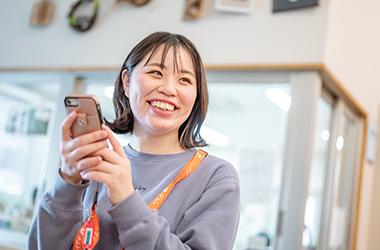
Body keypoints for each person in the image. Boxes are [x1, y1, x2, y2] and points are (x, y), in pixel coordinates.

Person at [27, 31, 240, 250]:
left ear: (196, 95)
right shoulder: (98, 163)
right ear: (127, 81)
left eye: (184, 80)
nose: (168, 88)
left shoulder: (216, 176)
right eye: (156, 72)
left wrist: (126, 200)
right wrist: (68, 182)